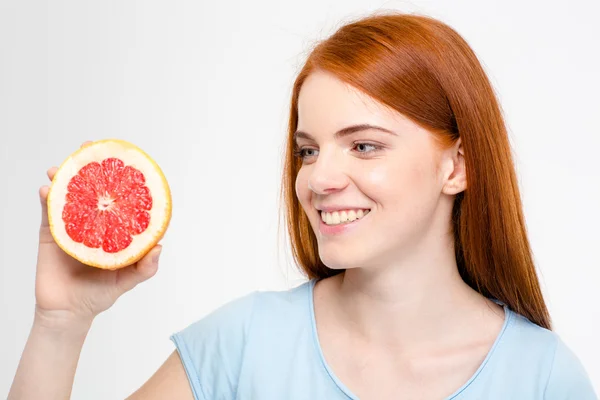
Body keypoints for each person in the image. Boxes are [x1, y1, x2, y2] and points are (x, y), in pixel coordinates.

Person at [8, 11, 597, 400]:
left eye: (364, 145)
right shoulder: (240, 345)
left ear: (458, 165)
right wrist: (60, 325)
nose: (319, 179)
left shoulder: (544, 379)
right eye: (308, 150)